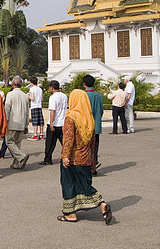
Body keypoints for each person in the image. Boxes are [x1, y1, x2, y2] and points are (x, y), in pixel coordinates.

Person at [57, 89, 112, 224]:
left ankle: (70, 214)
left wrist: (65, 156)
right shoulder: (89, 118)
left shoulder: (71, 117)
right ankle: (102, 204)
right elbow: (93, 142)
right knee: (84, 185)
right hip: (86, 158)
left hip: (73, 158)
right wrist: (92, 159)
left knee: (69, 184)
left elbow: (68, 139)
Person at [4, 76, 30, 170]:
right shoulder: (25, 95)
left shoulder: (10, 94)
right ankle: (16, 163)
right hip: (22, 123)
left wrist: (5, 122)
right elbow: (27, 111)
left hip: (12, 122)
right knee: (17, 143)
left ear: (12, 84)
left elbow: (7, 109)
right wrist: (26, 124)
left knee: (9, 141)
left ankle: (22, 156)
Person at [40, 80, 67, 166]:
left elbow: (52, 111)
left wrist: (51, 123)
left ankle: (48, 159)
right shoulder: (64, 96)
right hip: (62, 122)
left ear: (51, 88)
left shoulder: (53, 97)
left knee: (50, 143)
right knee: (64, 142)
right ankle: (67, 156)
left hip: (55, 123)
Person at [83, 75, 103, 175]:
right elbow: (101, 111)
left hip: (86, 125)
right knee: (94, 147)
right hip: (96, 125)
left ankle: (89, 166)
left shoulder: (84, 95)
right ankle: (94, 164)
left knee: (86, 147)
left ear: (84, 84)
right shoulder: (98, 95)